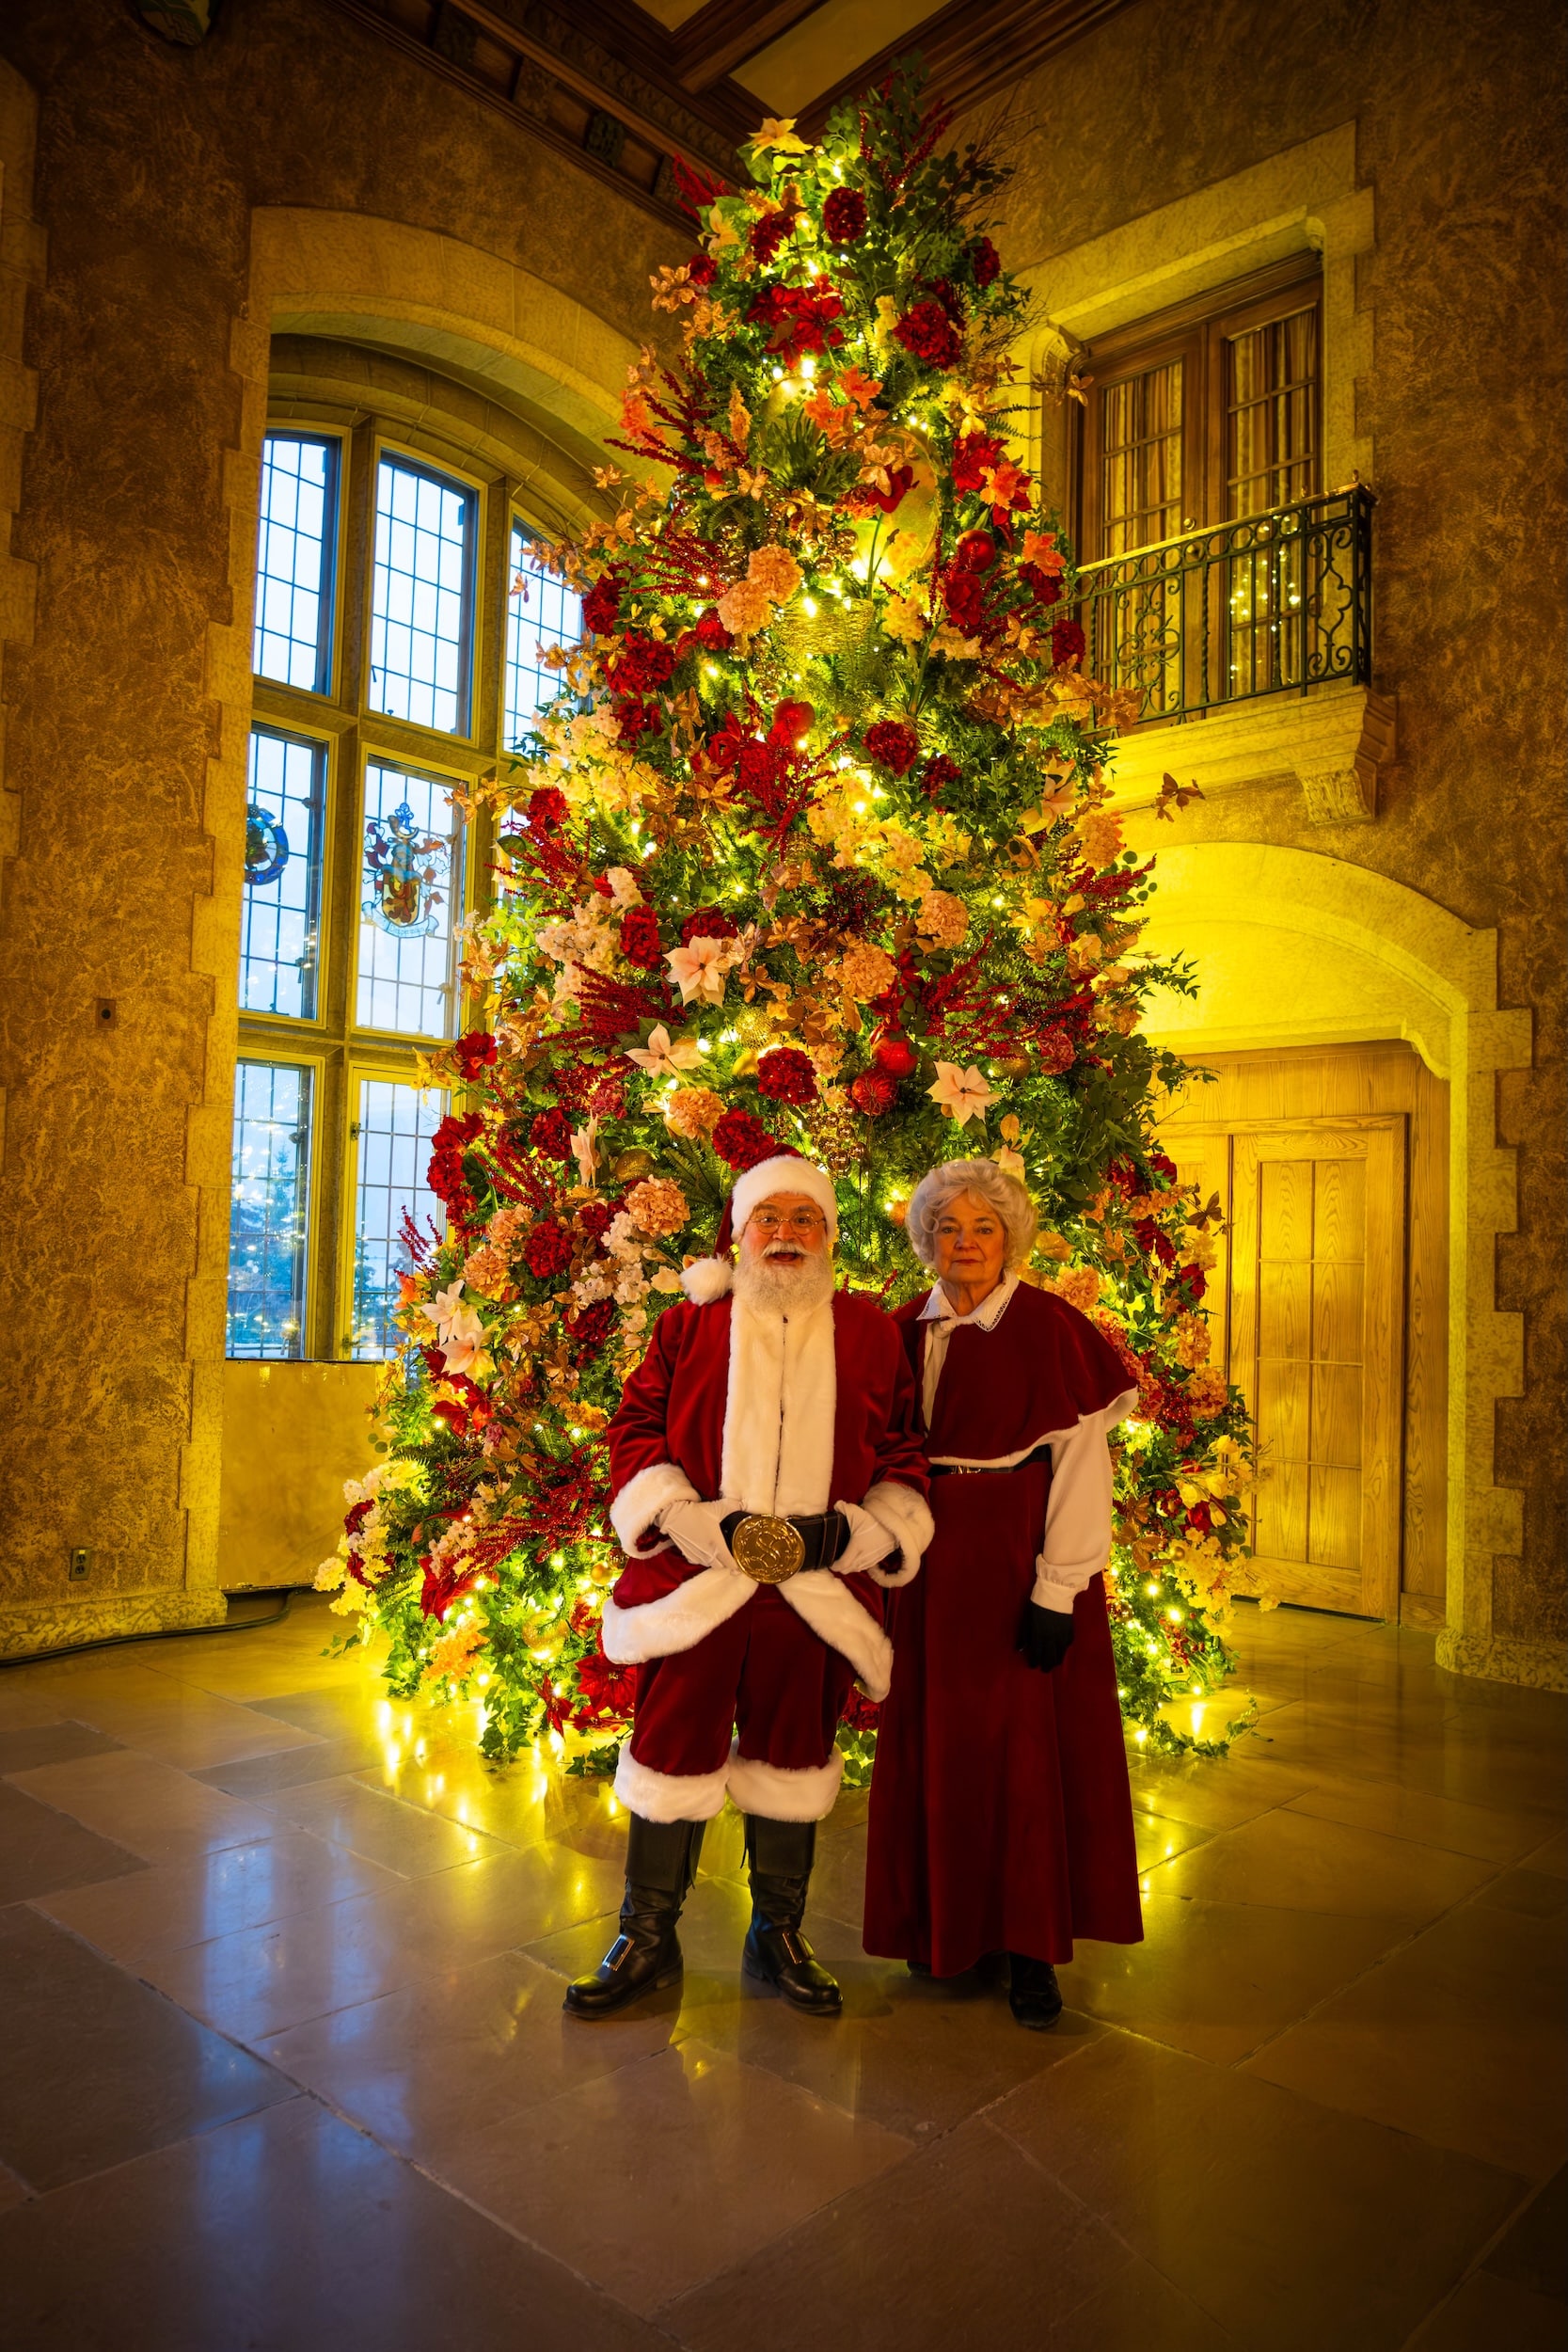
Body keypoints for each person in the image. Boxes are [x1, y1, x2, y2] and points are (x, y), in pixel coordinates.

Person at [564, 1153, 932, 2022]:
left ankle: (778, 1933)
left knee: (793, 1755)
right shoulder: (688, 1326)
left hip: (814, 1589)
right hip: (698, 1582)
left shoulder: (870, 1332)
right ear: (739, 1233)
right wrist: (685, 1518)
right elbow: (635, 1427)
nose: (785, 1234)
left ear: (829, 1235)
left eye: (805, 1219)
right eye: (769, 1218)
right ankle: (646, 1938)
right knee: (668, 1749)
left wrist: (860, 1530)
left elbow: (902, 1447)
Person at [862, 1157, 1143, 2027]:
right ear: (925, 1240)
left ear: (1010, 1237)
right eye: (947, 1228)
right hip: (923, 1567)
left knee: (1021, 1758)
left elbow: (1080, 1470)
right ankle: (945, 1929)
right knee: (937, 1747)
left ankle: (1029, 1947)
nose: (965, 1243)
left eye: (983, 1228)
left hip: (1018, 1560)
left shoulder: (1049, 1327)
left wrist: (1058, 1588)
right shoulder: (899, 1327)